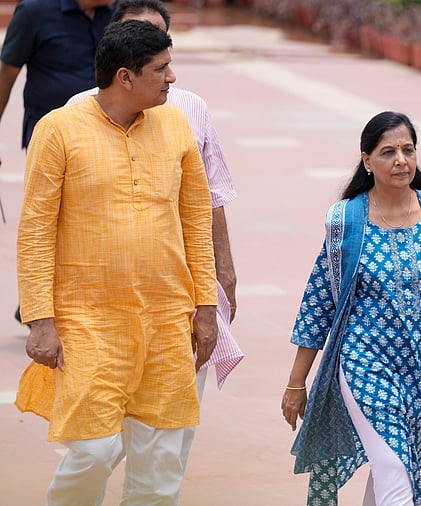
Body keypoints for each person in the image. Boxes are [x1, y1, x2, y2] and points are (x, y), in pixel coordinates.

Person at [14, 20, 217, 504]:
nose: (172, 78)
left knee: (161, 458)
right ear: (125, 77)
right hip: (88, 319)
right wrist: (41, 319)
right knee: (93, 449)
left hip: (166, 318)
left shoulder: (176, 126)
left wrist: (206, 306)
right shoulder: (60, 129)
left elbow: (196, 220)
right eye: (161, 69)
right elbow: (36, 231)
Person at [66, 0, 244, 470]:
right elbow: (48, 224)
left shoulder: (188, 112)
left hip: (178, 298)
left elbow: (211, 196)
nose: (168, 74)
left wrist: (221, 276)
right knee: (97, 448)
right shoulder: (73, 117)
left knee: (168, 445)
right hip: (103, 306)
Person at [281, 111, 421, 505]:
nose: (401, 160)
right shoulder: (345, 220)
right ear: (366, 160)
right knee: (396, 470)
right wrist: (295, 382)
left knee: (395, 467)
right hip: (364, 362)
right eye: (388, 152)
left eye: (408, 150)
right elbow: (318, 302)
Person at [0, 0, 117, 325]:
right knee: (48, 220)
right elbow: (6, 74)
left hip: (110, 137)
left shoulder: (119, 9)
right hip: (50, 141)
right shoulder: (35, 12)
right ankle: (37, 301)